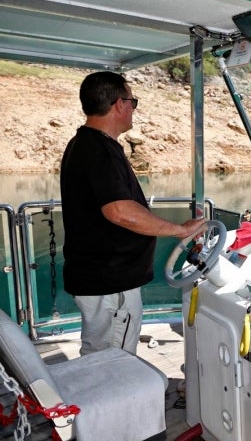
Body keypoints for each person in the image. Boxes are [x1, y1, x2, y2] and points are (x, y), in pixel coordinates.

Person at [60, 71, 206, 356]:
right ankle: (107, 401)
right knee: (113, 360)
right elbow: (120, 211)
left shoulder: (87, 144)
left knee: (100, 352)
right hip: (109, 284)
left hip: (101, 280)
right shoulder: (98, 149)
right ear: (118, 104)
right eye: (132, 101)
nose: (133, 108)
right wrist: (180, 230)